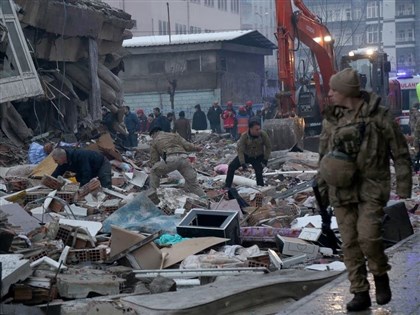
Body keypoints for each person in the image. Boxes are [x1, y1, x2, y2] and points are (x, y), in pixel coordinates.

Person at [317, 68, 412, 312]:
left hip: (372, 186)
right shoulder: (332, 119)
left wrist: (403, 186)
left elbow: (400, 153)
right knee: (349, 243)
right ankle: (359, 291)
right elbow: (323, 155)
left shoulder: (379, 116)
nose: (329, 94)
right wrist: (322, 187)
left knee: (369, 238)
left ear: (346, 92)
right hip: (341, 190)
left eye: (333, 90)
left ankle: (380, 276)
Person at [149, 127, 205, 197]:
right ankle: (205, 199)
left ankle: (154, 195)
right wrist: (197, 148)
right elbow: (187, 146)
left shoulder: (155, 140)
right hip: (184, 158)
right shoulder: (174, 135)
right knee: (193, 184)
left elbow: (154, 160)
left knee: (154, 171)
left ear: (154, 134)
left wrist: (161, 171)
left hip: (171, 159)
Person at [224, 119, 271, 188]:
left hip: (257, 156)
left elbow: (268, 147)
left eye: (259, 129)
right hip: (246, 155)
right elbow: (240, 150)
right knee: (232, 166)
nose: (259, 131)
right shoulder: (244, 136)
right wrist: (242, 163)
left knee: (259, 171)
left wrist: (265, 159)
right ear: (251, 129)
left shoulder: (263, 135)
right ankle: (227, 186)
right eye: (256, 129)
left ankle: (261, 188)